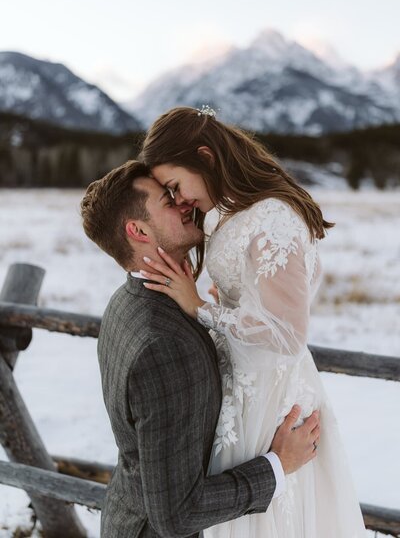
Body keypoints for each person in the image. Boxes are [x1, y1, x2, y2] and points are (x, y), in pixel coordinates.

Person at [139, 106, 367, 537]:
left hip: (269, 398)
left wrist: (202, 309)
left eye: (176, 185)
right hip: (243, 390)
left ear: (204, 156)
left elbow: (287, 333)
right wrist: (228, 301)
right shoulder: (229, 211)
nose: (180, 200)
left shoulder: (274, 218)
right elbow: (261, 302)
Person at [80, 160, 320, 538]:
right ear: (138, 230)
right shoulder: (164, 345)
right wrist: (279, 463)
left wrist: (222, 312)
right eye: (167, 200)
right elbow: (177, 513)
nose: (183, 203)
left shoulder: (127, 301)